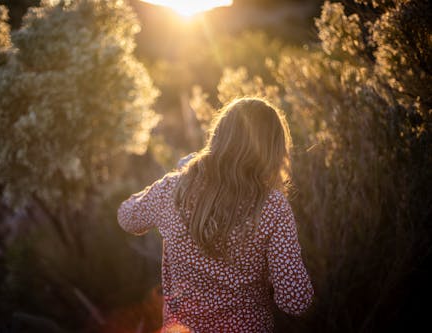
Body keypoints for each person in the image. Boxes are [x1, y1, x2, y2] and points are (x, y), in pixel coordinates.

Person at [117, 97, 314, 332]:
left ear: (218, 136)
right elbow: (296, 301)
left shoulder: (172, 189)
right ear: (272, 149)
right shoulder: (272, 206)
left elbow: (127, 218)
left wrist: (183, 173)